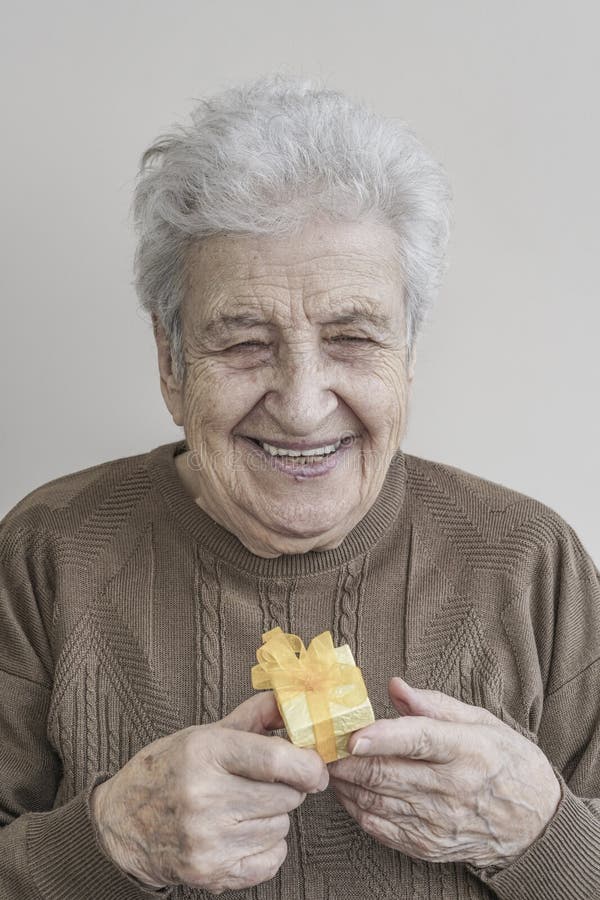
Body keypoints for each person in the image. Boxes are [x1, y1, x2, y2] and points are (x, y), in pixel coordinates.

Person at [1, 73, 598, 900]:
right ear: (171, 362)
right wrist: (106, 843)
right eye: (245, 343)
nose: (303, 404)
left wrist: (544, 834)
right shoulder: (47, 552)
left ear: (410, 356)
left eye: (353, 338)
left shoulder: (533, 562)